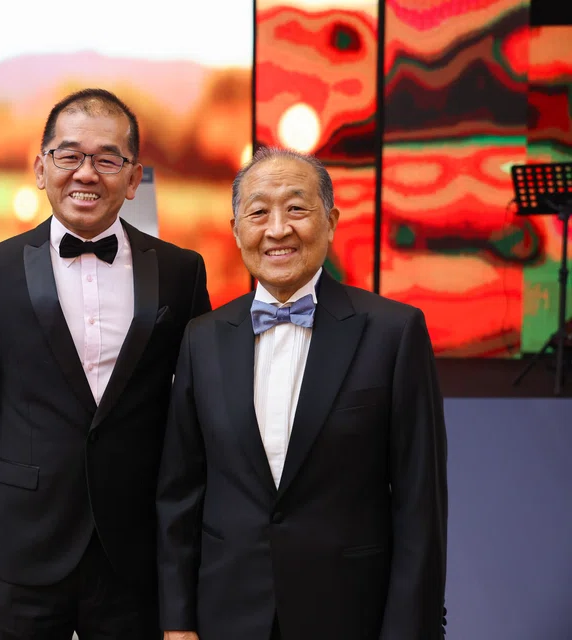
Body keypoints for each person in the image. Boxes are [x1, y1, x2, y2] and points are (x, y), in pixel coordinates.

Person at [0, 88, 211, 639]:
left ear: (133, 178)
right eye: (69, 156)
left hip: (135, 551)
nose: (86, 173)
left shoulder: (181, 272)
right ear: (41, 169)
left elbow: (202, 413)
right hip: (19, 549)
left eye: (107, 159)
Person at [156, 147, 448, 640]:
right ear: (236, 230)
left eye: (296, 208)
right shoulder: (201, 338)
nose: (277, 229)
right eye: (258, 212)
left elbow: (420, 505)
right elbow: (180, 494)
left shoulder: (394, 332)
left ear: (330, 222)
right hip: (227, 613)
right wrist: (177, 622)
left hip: (350, 614)